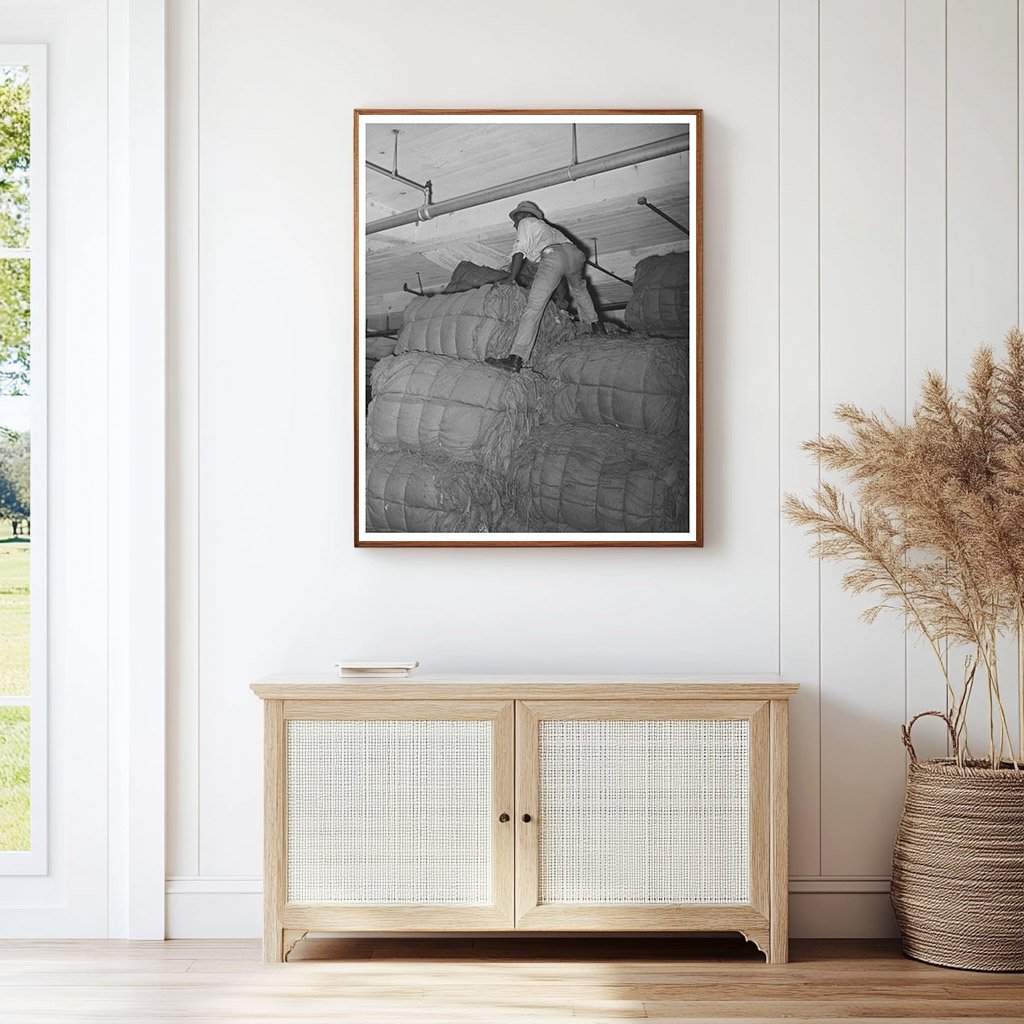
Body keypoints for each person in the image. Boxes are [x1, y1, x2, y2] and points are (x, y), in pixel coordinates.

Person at [485, 201, 599, 373]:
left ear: (522, 215)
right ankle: (598, 328)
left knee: (533, 308)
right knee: (580, 290)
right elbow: (559, 269)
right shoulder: (549, 230)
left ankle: (515, 358)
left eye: (515, 220)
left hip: (552, 255)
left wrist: (511, 278)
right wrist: (561, 297)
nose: (514, 224)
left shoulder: (526, 222)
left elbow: (519, 250)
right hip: (575, 255)